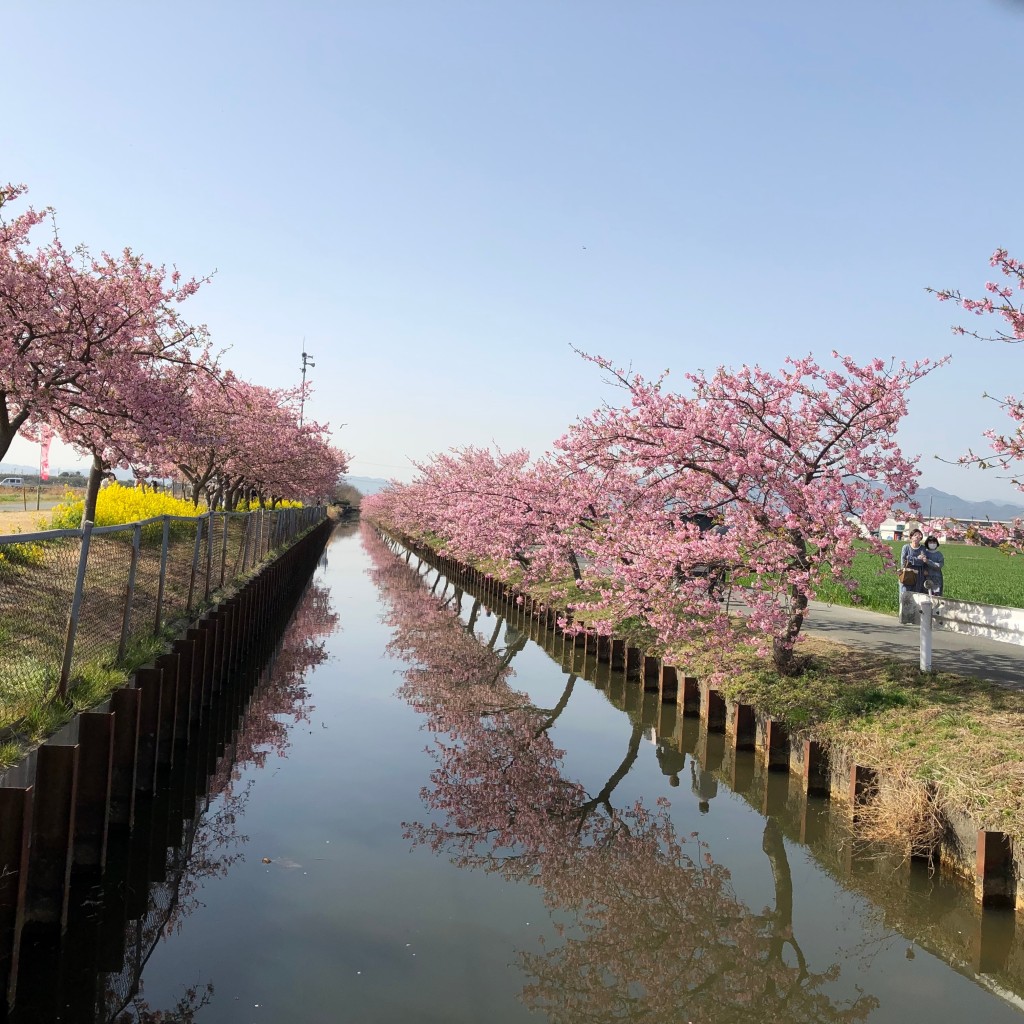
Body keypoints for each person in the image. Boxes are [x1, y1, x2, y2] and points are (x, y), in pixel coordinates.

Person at [898, 528, 928, 623]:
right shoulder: (906, 547)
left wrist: (911, 559)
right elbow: (903, 560)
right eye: (915, 535)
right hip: (908, 572)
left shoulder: (922, 548)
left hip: (919, 573)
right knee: (905, 593)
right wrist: (914, 560)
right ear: (911, 537)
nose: (917, 537)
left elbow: (923, 560)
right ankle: (903, 616)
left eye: (919, 535)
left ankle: (913, 616)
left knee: (917, 593)